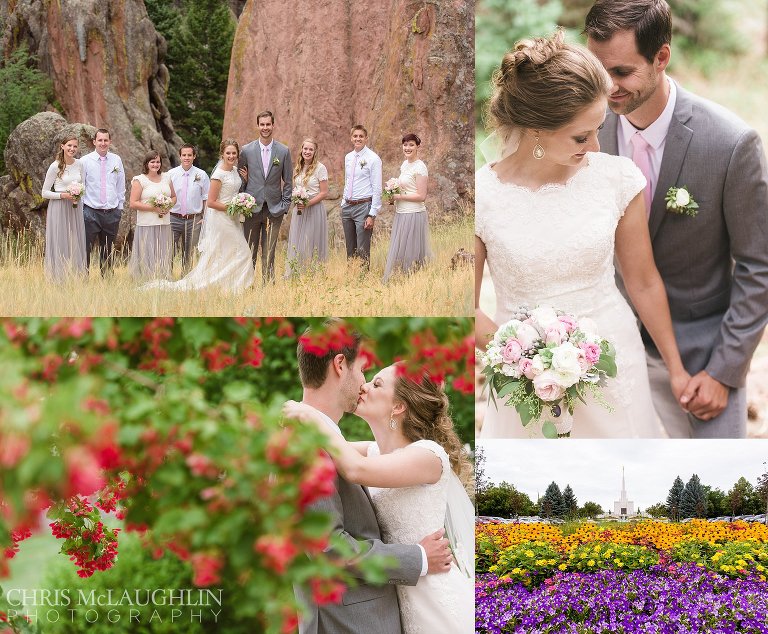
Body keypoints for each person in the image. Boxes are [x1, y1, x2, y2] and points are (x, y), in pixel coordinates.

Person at [475, 30, 688, 438]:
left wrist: (676, 370)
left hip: (613, 361)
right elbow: (466, 310)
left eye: (599, 129)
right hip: (525, 383)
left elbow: (643, 282)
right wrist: (531, 365)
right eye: (580, 136)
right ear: (535, 128)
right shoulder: (480, 197)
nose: (594, 146)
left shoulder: (616, 179)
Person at [585, 0, 768, 438]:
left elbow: (759, 267)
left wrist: (725, 371)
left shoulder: (731, 144)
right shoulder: (585, 133)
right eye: (598, 70)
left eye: (622, 72)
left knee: (717, 491)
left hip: (701, 357)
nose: (608, 88)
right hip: (608, 352)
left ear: (662, 56)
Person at [287, 324, 454, 634]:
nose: (363, 384)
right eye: (364, 370)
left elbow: (353, 466)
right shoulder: (307, 445)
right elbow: (329, 548)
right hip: (351, 623)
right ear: (340, 365)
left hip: (421, 603)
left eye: (375, 381)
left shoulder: (412, 455)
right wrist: (417, 557)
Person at [143, 139, 253, 293]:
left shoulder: (231, 171)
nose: (231, 155)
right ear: (222, 154)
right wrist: (232, 207)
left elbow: (215, 196)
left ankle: (230, 284)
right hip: (215, 217)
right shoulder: (216, 174)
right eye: (228, 153)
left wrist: (241, 199)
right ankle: (234, 284)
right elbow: (211, 201)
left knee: (227, 251)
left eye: (234, 153)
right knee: (242, 251)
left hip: (226, 218)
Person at [238, 111, 293, 283]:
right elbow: (241, 179)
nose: (265, 128)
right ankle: (247, 283)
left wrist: (284, 205)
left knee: (269, 251)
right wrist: (243, 201)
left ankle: (267, 286)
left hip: (274, 209)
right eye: (262, 124)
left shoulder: (283, 151)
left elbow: (288, 181)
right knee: (249, 250)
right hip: (251, 208)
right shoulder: (246, 150)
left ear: (273, 125)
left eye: (268, 124)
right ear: (258, 126)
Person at [383, 133, 431, 282]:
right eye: (405, 144)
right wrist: (392, 194)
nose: (407, 147)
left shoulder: (420, 167)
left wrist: (399, 197)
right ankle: (401, 280)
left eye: (411, 145)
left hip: (413, 213)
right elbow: (404, 187)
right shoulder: (405, 164)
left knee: (411, 251)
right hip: (401, 212)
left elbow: (421, 196)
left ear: (417, 147)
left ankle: (414, 280)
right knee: (401, 250)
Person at [40, 134, 87, 281]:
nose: (72, 149)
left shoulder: (80, 164)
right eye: (69, 145)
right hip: (59, 206)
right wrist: (63, 195)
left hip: (75, 207)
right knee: (60, 239)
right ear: (62, 146)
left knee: (76, 240)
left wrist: (78, 194)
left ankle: (76, 276)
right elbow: (44, 192)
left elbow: (84, 184)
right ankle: (58, 277)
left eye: (74, 146)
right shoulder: (55, 166)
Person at [81, 128, 125, 275]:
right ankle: (82, 278)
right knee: (85, 247)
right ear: (94, 142)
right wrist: (82, 210)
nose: (103, 143)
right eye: (100, 140)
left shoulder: (116, 160)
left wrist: (119, 208)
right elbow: (81, 185)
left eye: (106, 140)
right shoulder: (85, 161)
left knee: (107, 249)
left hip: (112, 213)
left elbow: (120, 185)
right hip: (90, 212)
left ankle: (107, 279)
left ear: (110, 142)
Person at [284, 138, 329, 277]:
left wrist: (307, 203)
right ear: (301, 150)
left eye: (311, 149)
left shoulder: (320, 168)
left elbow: (324, 192)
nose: (307, 151)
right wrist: (297, 200)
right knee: (297, 242)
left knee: (310, 242)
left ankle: (312, 275)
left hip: (314, 209)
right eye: (305, 149)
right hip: (299, 210)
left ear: (315, 152)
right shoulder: (298, 166)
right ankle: (296, 273)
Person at [128, 151, 175, 281]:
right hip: (147, 223)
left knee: (162, 253)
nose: (155, 164)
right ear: (147, 163)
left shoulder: (167, 178)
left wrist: (168, 205)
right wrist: (154, 208)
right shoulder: (140, 180)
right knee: (147, 253)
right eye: (152, 162)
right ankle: (146, 279)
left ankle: (162, 279)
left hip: (164, 223)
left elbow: (174, 197)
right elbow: (133, 203)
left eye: (158, 161)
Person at [340, 125, 382, 268]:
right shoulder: (348, 157)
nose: (358, 138)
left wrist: (372, 214)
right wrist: (342, 202)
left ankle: (363, 280)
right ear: (351, 138)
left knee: (363, 248)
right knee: (350, 248)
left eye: (361, 136)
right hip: (347, 206)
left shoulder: (373, 159)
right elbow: (347, 180)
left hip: (363, 207)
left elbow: (377, 188)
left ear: (366, 138)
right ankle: (351, 277)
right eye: (355, 136)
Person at [167, 144, 210, 272]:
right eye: (184, 155)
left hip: (194, 220)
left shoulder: (201, 175)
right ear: (180, 156)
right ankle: (166, 278)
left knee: (190, 253)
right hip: (173, 218)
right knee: (169, 251)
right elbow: (165, 195)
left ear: (194, 156)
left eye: (189, 155)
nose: (187, 158)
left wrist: (205, 217)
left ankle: (185, 280)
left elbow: (206, 197)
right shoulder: (171, 174)